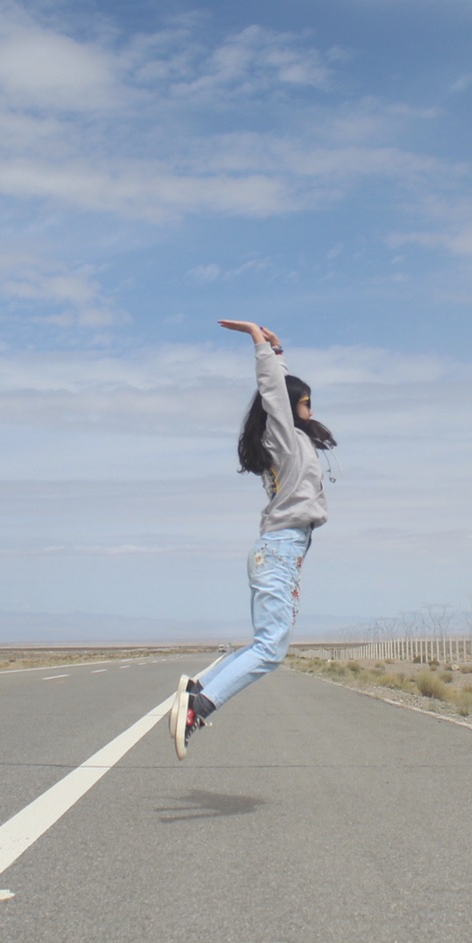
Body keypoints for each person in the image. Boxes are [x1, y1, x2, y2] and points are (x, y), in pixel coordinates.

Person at [170, 319, 336, 759]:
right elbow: (272, 394)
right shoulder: (282, 438)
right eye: (306, 405)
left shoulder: (290, 442)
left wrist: (278, 352)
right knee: (270, 649)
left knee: (266, 641)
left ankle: (199, 689)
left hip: (280, 551)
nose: (310, 412)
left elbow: (278, 392)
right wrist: (260, 345)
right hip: (279, 550)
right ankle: (198, 706)